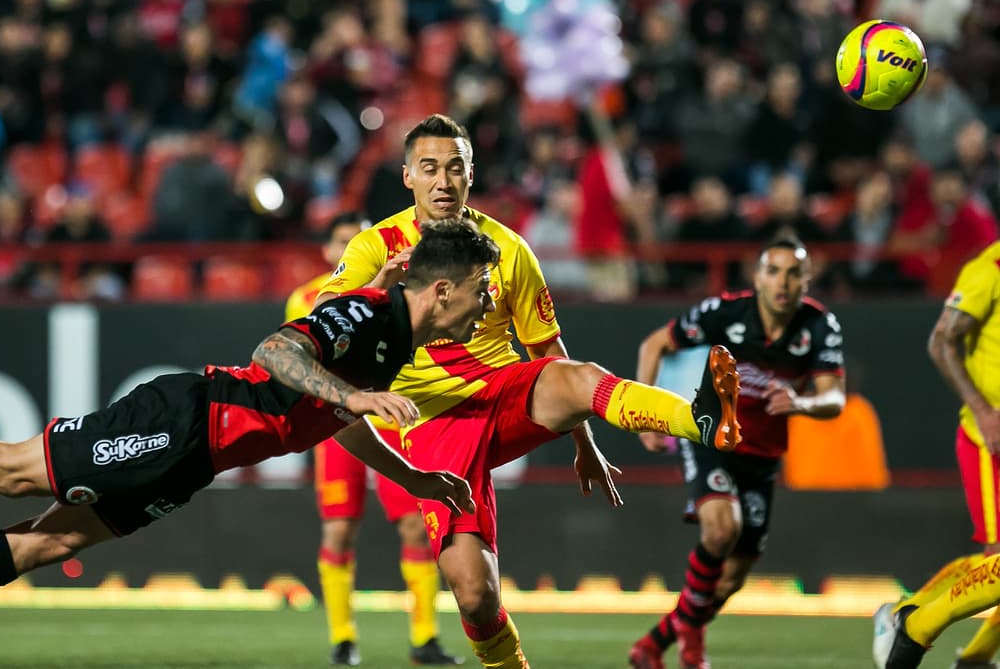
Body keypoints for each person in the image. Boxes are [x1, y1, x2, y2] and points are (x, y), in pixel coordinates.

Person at [0, 219, 498, 669]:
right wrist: (353, 393)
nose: (487, 307)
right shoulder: (367, 313)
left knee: (45, 545)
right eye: (482, 292)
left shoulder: (393, 343)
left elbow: (335, 418)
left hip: (193, 461)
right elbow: (276, 349)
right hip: (184, 420)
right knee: (14, 471)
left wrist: (420, 477)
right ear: (442, 289)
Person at [315, 114, 745, 669]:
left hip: (503, 391)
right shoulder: (377, 246)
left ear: (471, 175)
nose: (443, 182)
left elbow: (547, 352)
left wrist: (583, 442)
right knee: (474, 593)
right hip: (430, 423)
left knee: (578, 375)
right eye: (430, 169)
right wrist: (380, 289)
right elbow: (326, 323)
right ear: (407, 177)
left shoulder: (509, 248)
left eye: (455, 169)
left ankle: (700, 419)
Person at [628, 238, 847, 669]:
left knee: (729, 581)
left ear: (807, 280)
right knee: (720, 530)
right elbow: (654, 345)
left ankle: (652, 646)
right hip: (711, 438)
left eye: (793, 273)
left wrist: (801, 404)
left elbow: (834, 397)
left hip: (762, 457)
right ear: (757, 277)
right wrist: (643, 417)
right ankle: (693, 650)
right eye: (774, 271)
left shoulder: (820, 327)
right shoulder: (724, 312)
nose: (783, 282)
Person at [288, 212, 462, 666]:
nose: (350, 249)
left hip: (391, 421)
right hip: (339, 424)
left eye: (357, 241)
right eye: (342, 242)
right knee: (340, 528)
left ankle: (424, 638)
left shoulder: (400, 295)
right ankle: (342, 638)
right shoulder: (305, 299)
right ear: (329, 251)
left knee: (415, 528)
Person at [875, 239, 1000, 669]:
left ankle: (924, 625)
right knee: (999, 560)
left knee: (996, 564)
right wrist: (984, 412)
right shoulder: (990, 269)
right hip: (991, 442)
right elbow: (941, 341)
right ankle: (915, 624)